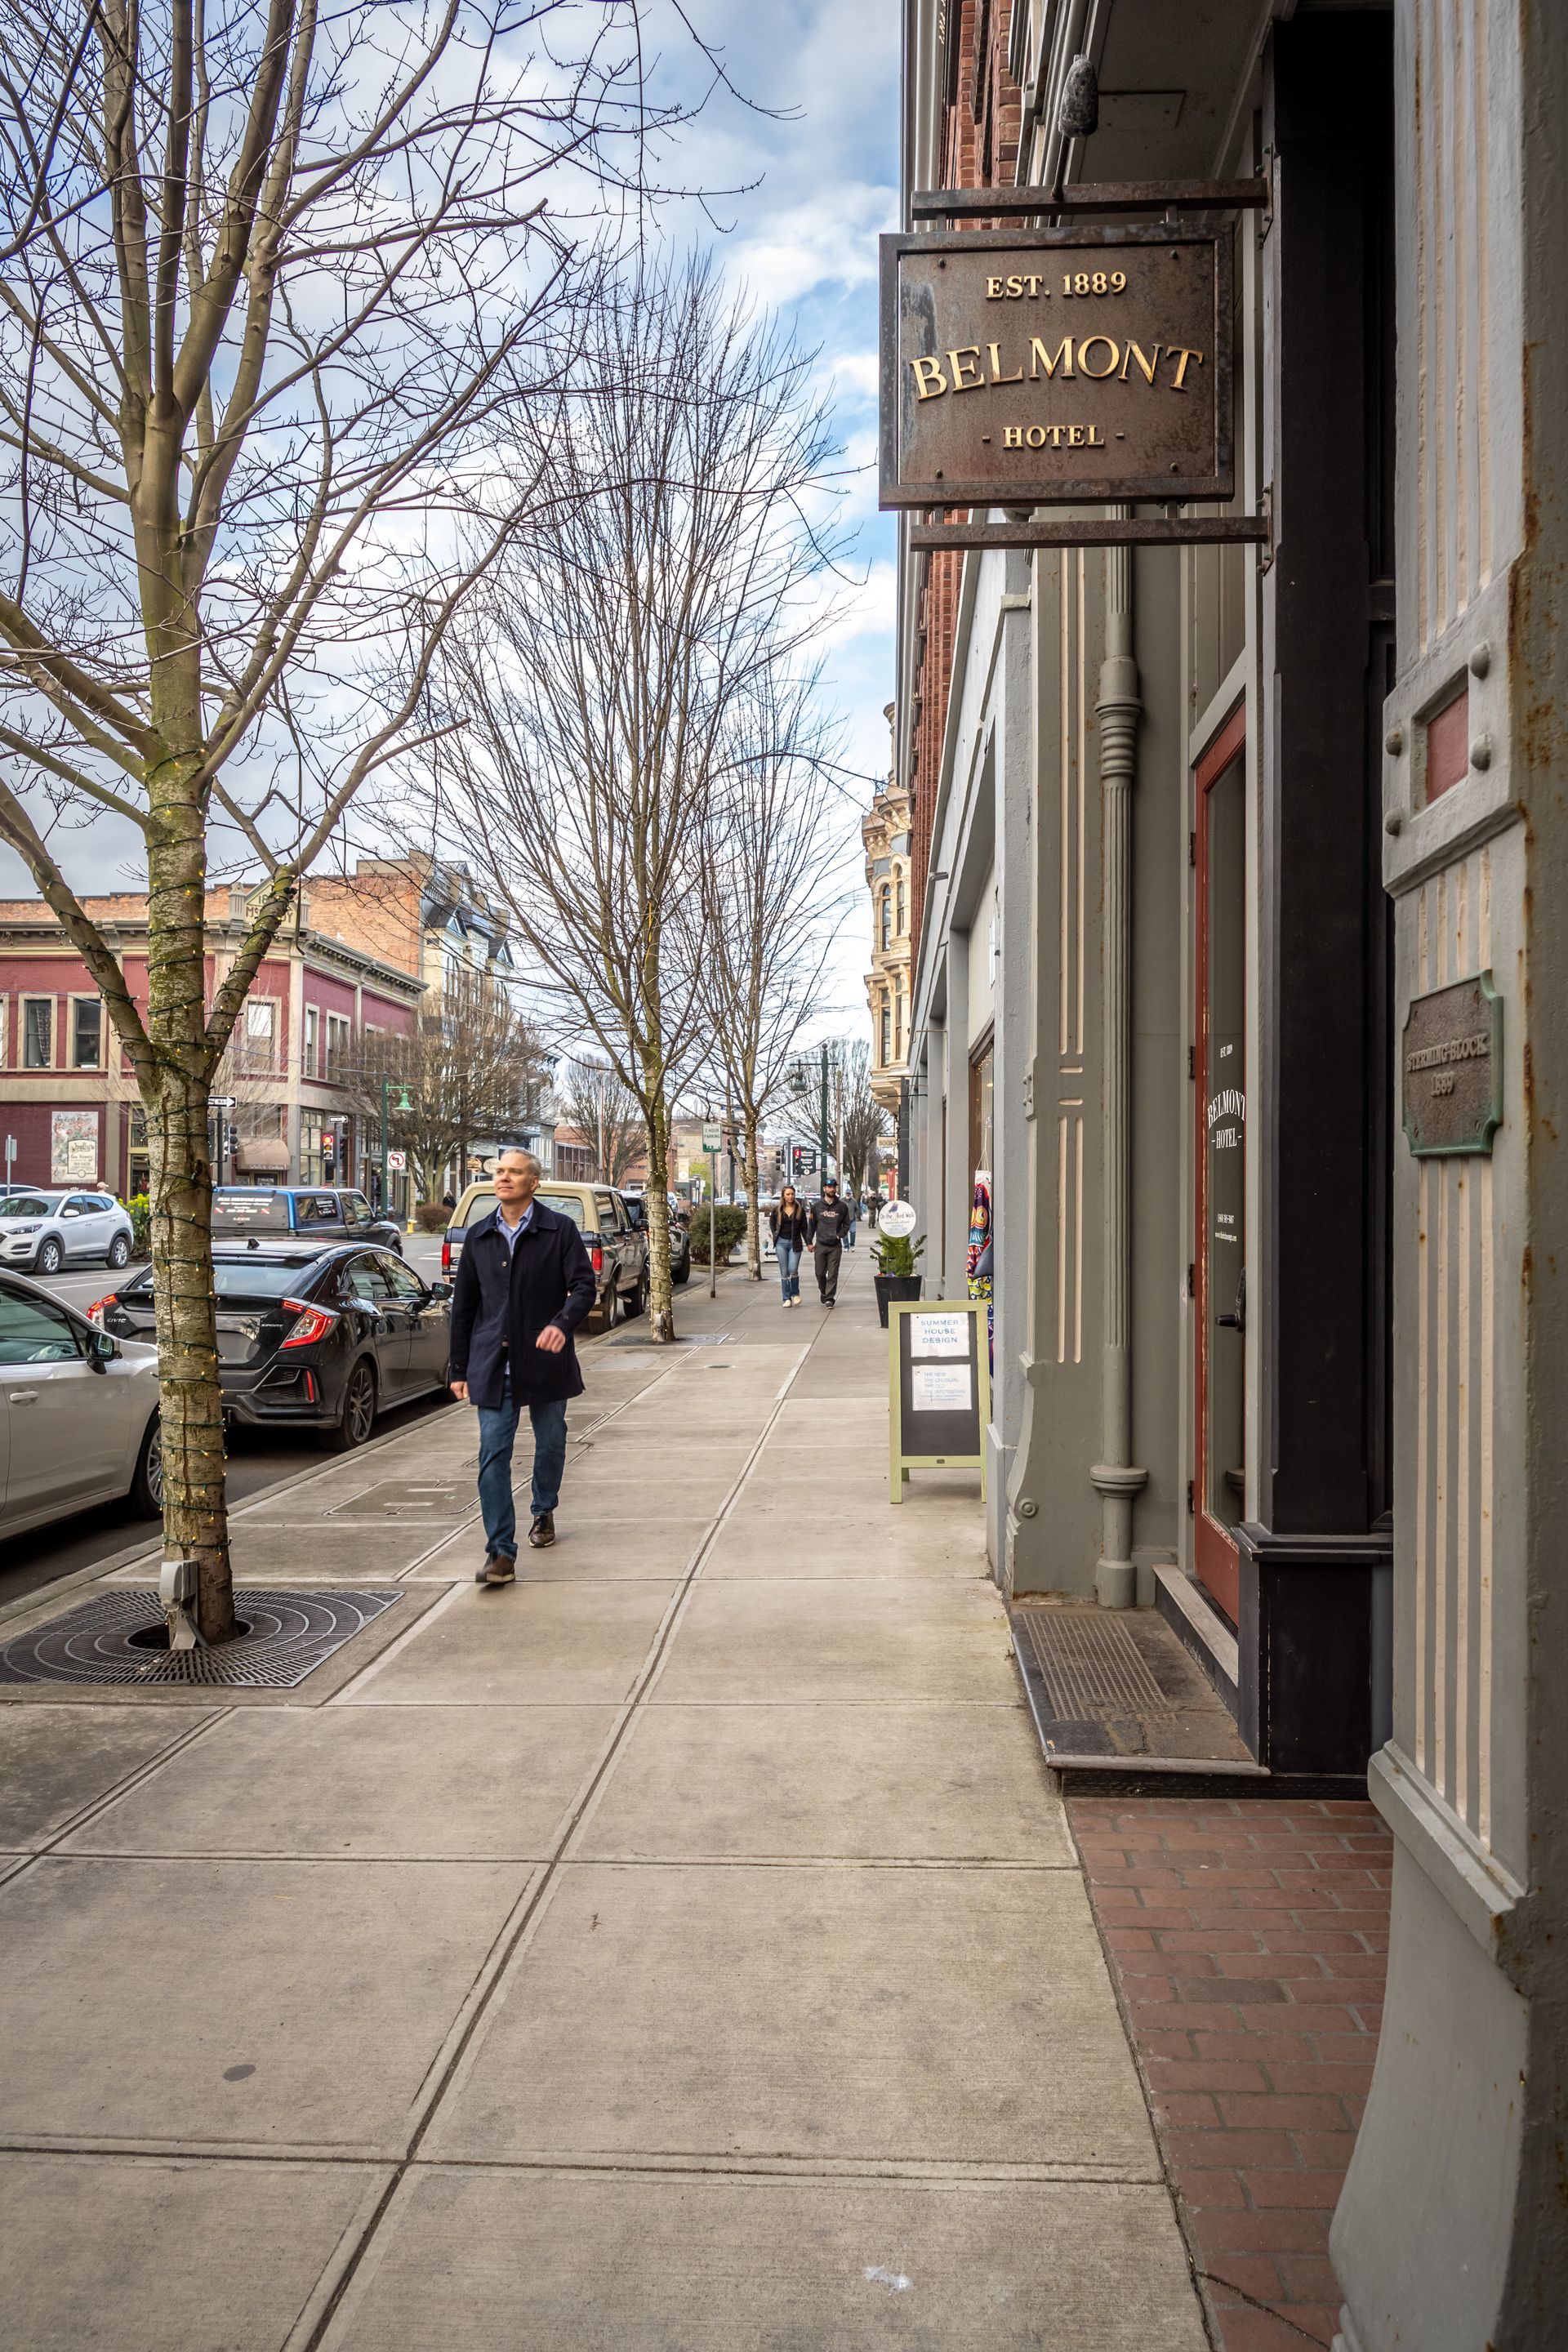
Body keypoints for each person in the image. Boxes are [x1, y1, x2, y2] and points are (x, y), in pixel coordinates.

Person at [448, 1147, 596, 1584]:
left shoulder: (559, 1230)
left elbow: (584, 1286)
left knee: (550, 1444)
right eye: (500, 1172)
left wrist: (562, 1325)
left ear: (534, 1183)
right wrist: (458, 1369)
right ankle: (500, 1553)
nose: (504, 1178)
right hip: (494, 1365)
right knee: (492, 1455)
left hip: (545, 1362)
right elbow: (465, 1308)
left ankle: (543, 1509)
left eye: (515, 1173)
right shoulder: (478, 1236)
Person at [808, 1177, 850, 1306]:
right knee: (820, 1273)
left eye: (834, 1187)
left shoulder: (842, 1207)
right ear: (824, 1188)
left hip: (835, 1246)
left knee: (832, 1273)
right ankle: (824, 1291)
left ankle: (830, 1298)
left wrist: (840, 1235)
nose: (832, 1189)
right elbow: (811, 1225)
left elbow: (847, 1224)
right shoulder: (816, 1207)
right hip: (820, 1244)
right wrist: (809, 1242)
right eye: (829, 1187)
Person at [769, 1183, 809, 1307]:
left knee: (793, 1269)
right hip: (781, 1243)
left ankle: (795, 1294)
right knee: (784, 1272)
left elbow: (804, 1228)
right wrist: (776, 1236)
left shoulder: (799, 1210)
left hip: (795, 1242)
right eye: (788, 1194)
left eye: (792, 1194)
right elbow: (773, 1225)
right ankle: (786, 1298)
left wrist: (809, 1243)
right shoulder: (777, 1210)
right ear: (783, 1196)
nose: (790, 1197)